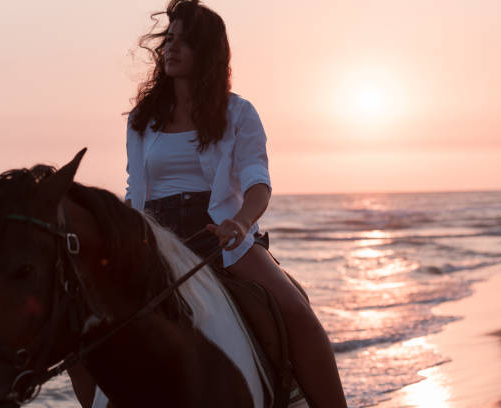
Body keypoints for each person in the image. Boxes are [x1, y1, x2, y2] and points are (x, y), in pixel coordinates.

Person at [124, 1, 347, 407]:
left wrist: (241, 224)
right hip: (153, 239)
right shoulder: (142, 119)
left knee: (297, 313)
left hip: (219, 235)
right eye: (168, 40)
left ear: (207, 52)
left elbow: (257, 183)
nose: (171, 49)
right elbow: (134, 188)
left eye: (184, 42)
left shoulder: (238, 113)